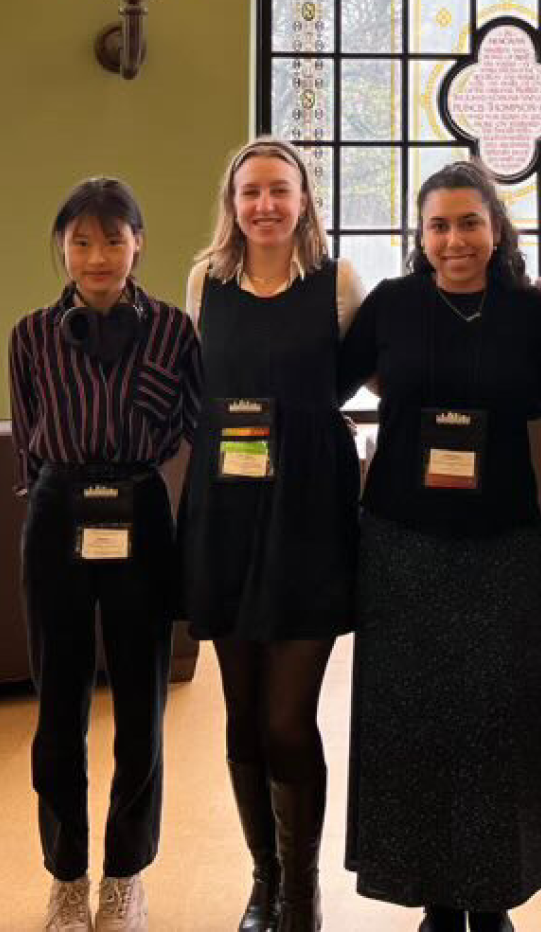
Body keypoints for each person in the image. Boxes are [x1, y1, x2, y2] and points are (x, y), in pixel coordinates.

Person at [339, 161, 541, 932]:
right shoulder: (393, 306)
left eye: (470, 222)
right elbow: (327, 383)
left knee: (498, 717)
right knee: (413, 719)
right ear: (420, 235)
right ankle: (435, 896)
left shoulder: (531, 312)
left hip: (501, 538)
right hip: (402, 538)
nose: (455, 239)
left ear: (496, 230)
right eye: (439, 225)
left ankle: (492, 895)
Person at [180, 138, 365, 932]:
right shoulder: (205, 280)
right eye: (250, 191)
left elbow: (368, 374)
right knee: (242, 711)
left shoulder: (338, 281)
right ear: (232, 199)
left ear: (304, 199)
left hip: (311, 513)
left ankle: (301, 888)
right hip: (226, 510)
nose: (264, 205)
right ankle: (264, 878)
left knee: (290, 716)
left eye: (279, 191)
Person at [8, 178, 202, 932]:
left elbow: (189, 421)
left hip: (141, 509)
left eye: (113, 240)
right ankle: (65, 875)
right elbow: (27, 436)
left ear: (139, 244)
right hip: (57, 510)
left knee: (142, 703)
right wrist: (59, 494)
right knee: (57, 704)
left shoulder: (175, 332)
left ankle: (125, 875)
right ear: (62, 247)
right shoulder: (30, 334)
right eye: (82, 241)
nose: (97, 257)